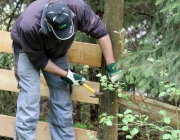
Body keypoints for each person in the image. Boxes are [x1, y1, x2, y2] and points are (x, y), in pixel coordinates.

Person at [11, 0, 120, 139]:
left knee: (62, 99)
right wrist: (66, 74)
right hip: (27, 51)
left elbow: (100, 31)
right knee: (30, 98)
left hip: (57, 51)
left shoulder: (78, 7)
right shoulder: (29, 25)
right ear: (47, 22)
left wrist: (111, 65)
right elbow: (39, 60)